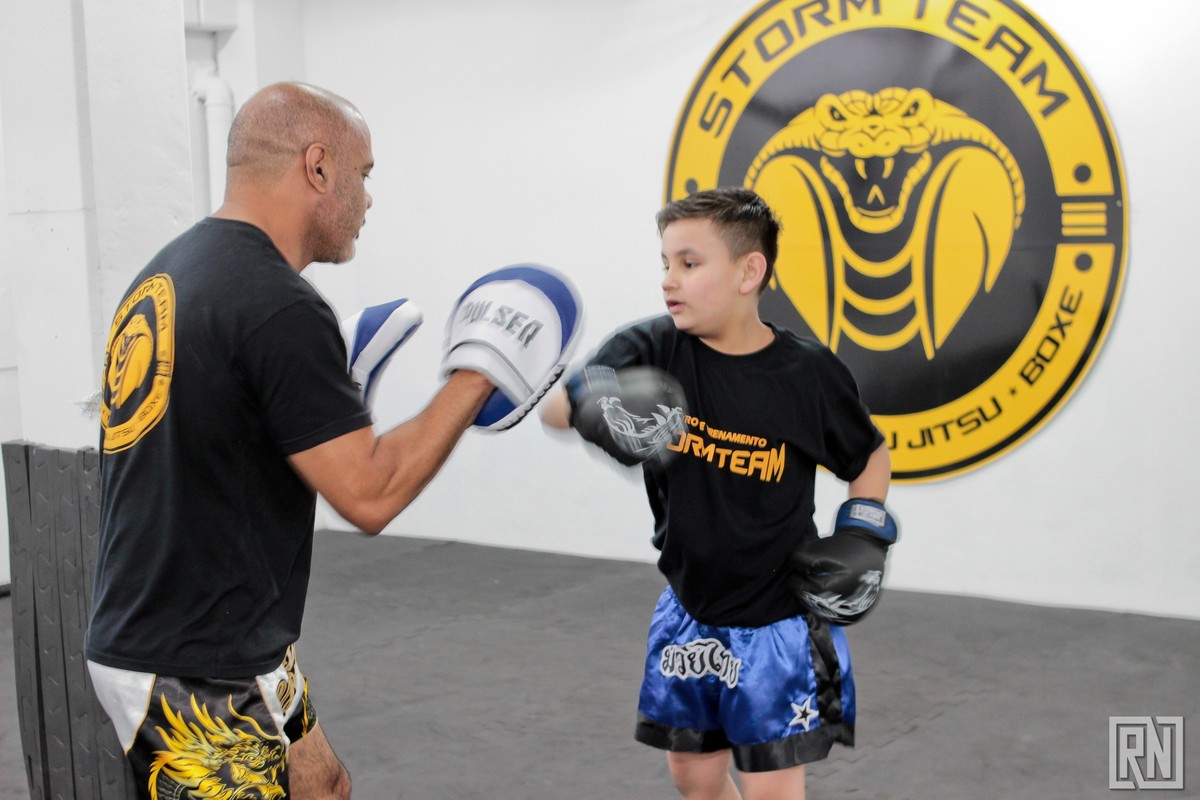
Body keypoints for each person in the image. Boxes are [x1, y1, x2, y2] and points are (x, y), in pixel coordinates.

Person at [84, 82, 574, 799]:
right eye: (363, 174)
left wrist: (318, 400)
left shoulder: (172, 270)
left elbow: (213, 428)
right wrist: (479, 372)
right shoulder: (273, 304)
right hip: (193, 666)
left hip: (225, 634)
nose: (368, 199)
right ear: (318, 167)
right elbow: (370, 496)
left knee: (324, 785)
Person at [540, 187, 894, 800]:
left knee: (771, 788)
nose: (668, 280)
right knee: (695, 778)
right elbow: (556, 406)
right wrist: (595, 407)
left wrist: (863, 531)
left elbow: (868, 456)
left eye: (689, 263)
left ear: (748, 272)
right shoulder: (652, 347)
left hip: (777, 620)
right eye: (665, 263)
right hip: (689, 610)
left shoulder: (807, 374)